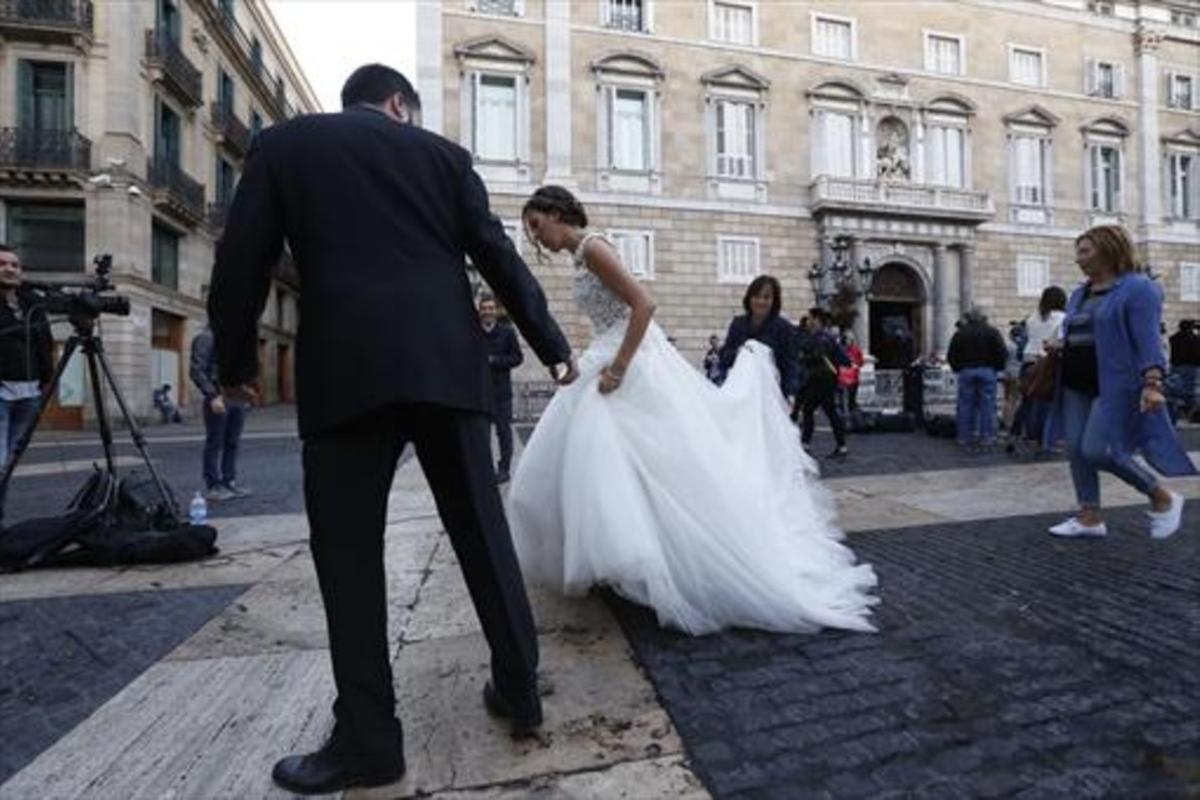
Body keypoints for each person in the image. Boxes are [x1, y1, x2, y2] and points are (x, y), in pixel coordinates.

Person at [208, 65, 574, 794]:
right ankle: (519, 685)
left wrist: (237, 359)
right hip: (447, 367)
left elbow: (240, 257)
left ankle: (370, 739)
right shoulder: (443, 155)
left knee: (349, 556)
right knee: (480, 531)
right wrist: (553, 344)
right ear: (399, 104)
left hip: (348, 371)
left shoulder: (285, 144)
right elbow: (498, 258)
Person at [509, 185, 877, 637]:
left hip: (632, 361)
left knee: (633, 460)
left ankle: (649, 558)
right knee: (610, 461)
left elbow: (643, 305)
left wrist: (620, 368)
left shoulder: (593, 246)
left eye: (536, 225)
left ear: (557, 212)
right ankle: (626, 559)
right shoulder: (581, 255)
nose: (535, 238)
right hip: (607, 354)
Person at [1045, 225, 1195, 539]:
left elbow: (1147, 338)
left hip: (1113, 382)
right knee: (1076, 449)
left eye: (1085, 251)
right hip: (1074, 381)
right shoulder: (1080, 293)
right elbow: (1087, 332)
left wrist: (1152, 382)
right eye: (1078, 252)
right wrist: (1061, 344)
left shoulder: (1138, 288)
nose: (1078, 259)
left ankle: (1161, 497)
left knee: (1098, 449)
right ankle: (1090, 517)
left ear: (1108, 249)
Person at [0, 244, 53, 520]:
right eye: (3, 264)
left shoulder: (31, 302)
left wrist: (47, 379)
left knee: (8, 464)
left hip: (29, 393)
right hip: (2, 394)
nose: (9, 269)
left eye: (15, 265)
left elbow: (44, 343)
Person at [190, 326, 251, 501]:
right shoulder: (205, 338)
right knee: (214, 443)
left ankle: (229, 481)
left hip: (236, 398)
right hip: (218, 397)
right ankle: (213, 486)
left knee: (232, 443)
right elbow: (197, 370)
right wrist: (212, 395)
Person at [716, 275, 798, 399]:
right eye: (756, 296)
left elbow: (790, 364)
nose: (761, 301)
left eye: (766, 297)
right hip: (739, 390)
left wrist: (791, 393)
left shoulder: (784, 328)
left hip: (769, 394)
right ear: (749, 298)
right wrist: (739, 352)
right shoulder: (738, 323)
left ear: (774, 300)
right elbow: (725, 355)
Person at [946, 308, 1007, 451]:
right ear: (983, 318)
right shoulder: (992, 332)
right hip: (987, 370)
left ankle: (964, 437)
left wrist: (958, 368)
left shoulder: (960, 333)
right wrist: (996, 368)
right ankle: (987, 437)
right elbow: (1002, 353)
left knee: (965, 405)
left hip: (966, 371)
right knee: (988, 406)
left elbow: (951, 355)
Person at [1014, 287, 1067, 450]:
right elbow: (1061, 340)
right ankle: (1047, 438)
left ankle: (1029, 436)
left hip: (1028, 359)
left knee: (1030, 400)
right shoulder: (1062, 318)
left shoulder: (1032, 317)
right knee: (1047, 401)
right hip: (1047, 360)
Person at [795, 309, 851, 459]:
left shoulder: (820, 338)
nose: (808, 321)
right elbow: (844, 358)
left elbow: (815, 357)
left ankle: (807, 444)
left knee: (811, 410)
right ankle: (841, 446)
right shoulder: (830, 337)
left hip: (820, 379)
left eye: (810, 318)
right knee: (827, 411)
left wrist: (805, 357)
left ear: (816, 320)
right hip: (827, 379)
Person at [479, 295, 522, 483]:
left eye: (490, 308)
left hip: (501, 393)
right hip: (479, 392)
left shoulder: (507, 332)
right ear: (479, 311)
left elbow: (517, 358)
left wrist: (495, 361)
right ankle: (484, 470)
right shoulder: (472, 331)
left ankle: (504, 469)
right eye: (484, 308)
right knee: (481, 435)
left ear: (496, 311)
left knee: (504, 433)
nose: (487, 312)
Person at [1167, 319, 1198, 421]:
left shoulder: (1173, 338)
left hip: (1175, 366)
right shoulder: (1195, 338)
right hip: (1190, 366)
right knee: (1189, 391)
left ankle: (1176, 412)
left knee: (1175, 390)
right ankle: (1189, 413)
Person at [837, 330, 864, 417]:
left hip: (853, 378)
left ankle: (851, 417)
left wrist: (855, 364)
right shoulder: (840, 349)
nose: (847, 341)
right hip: (842, 378)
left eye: (849, 339)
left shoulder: (856, 350)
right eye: (846, 339)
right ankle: (845, 417)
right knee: (842, 401)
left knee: (851, 400)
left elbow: (861, 362)